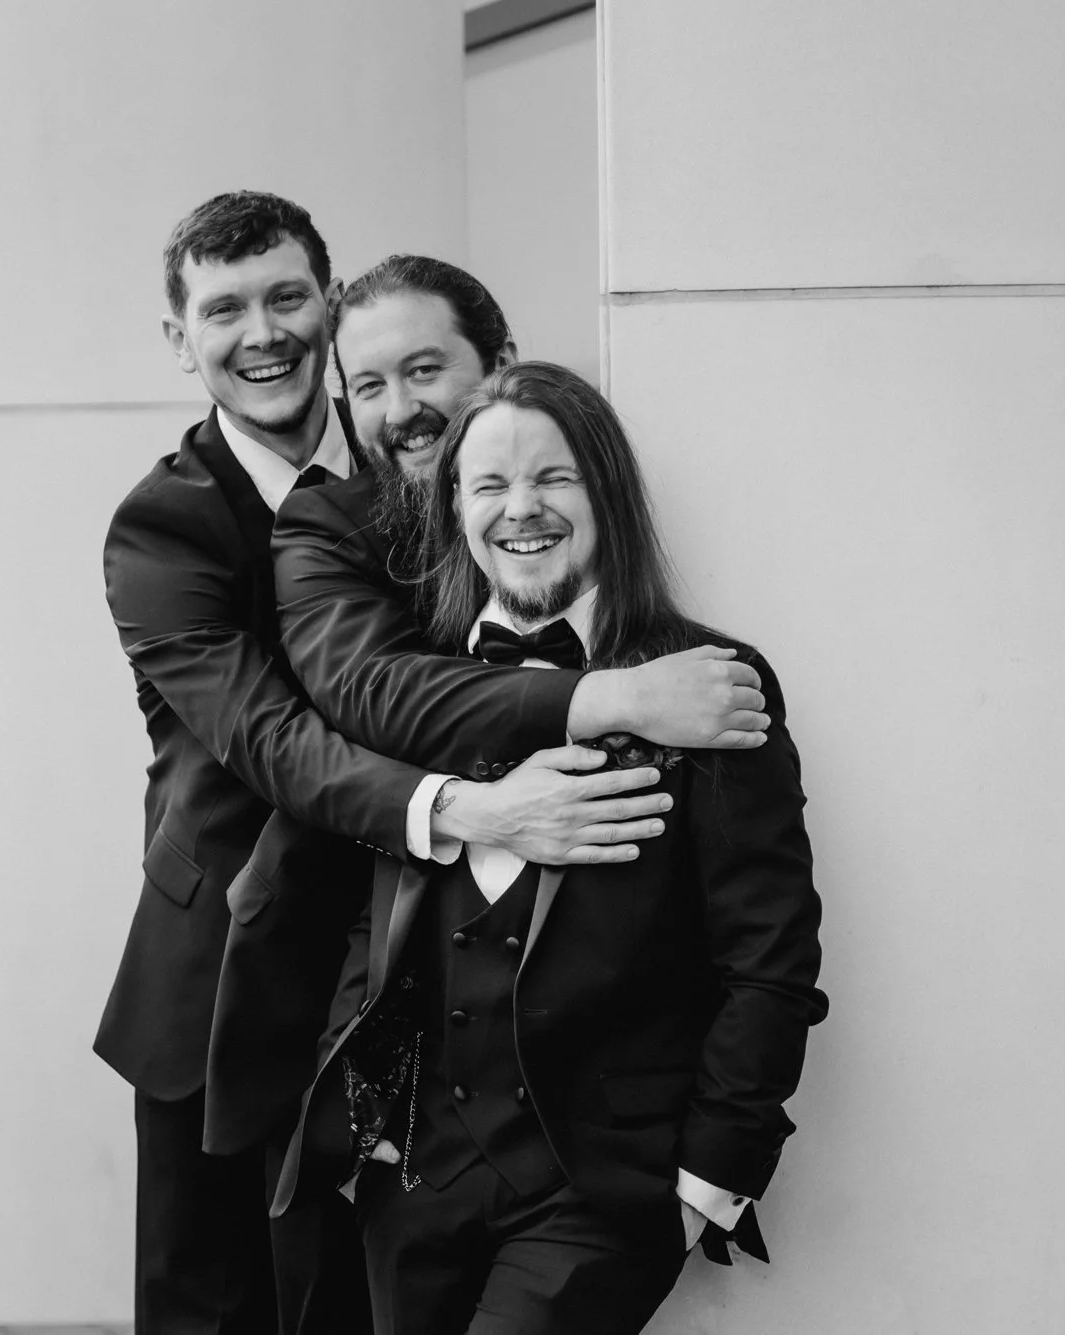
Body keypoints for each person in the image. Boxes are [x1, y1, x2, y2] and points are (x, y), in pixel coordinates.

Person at [101, 197, 713, 1335]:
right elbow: (279, 738)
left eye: (287, 298)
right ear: (182, 340)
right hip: (227, 979)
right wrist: (483, 803)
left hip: (408, 978)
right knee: (217, 1309)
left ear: (327, 308)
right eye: (224, 311)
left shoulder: (442, 455)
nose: (262, 333)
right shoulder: (162, 527)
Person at [272, 361, 828, 1335]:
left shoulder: (704, 684)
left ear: (606, 490)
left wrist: (712, 1173)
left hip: (600, 1188)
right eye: (488, 484)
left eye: (552, 477)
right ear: (455, 510)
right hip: (414, 1180)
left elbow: (768, 958)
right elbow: (372, 909)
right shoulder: (412, 689)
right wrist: (365, 1121)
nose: (520, 508)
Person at [207, 256, 778, 1162]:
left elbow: (763, 947)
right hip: (320, 1024)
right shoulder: (327, 526)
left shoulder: (694, 667)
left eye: (425, 369)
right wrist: (611, 702)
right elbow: (373, 694)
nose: (400, 410)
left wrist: (713, 1167)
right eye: (369, 386)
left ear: (499, 361)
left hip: (597, 1144)